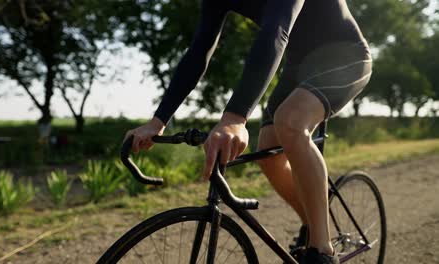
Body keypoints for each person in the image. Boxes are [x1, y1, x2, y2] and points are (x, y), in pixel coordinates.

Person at [125, 0, 372, 263]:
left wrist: (235, 118)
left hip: (345, 56)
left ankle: (322, 251)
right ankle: (312, 224)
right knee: (267, 149)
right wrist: (157, 121)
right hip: (298, 66)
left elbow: (276, 30)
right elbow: (199, 52)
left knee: (291, 122)